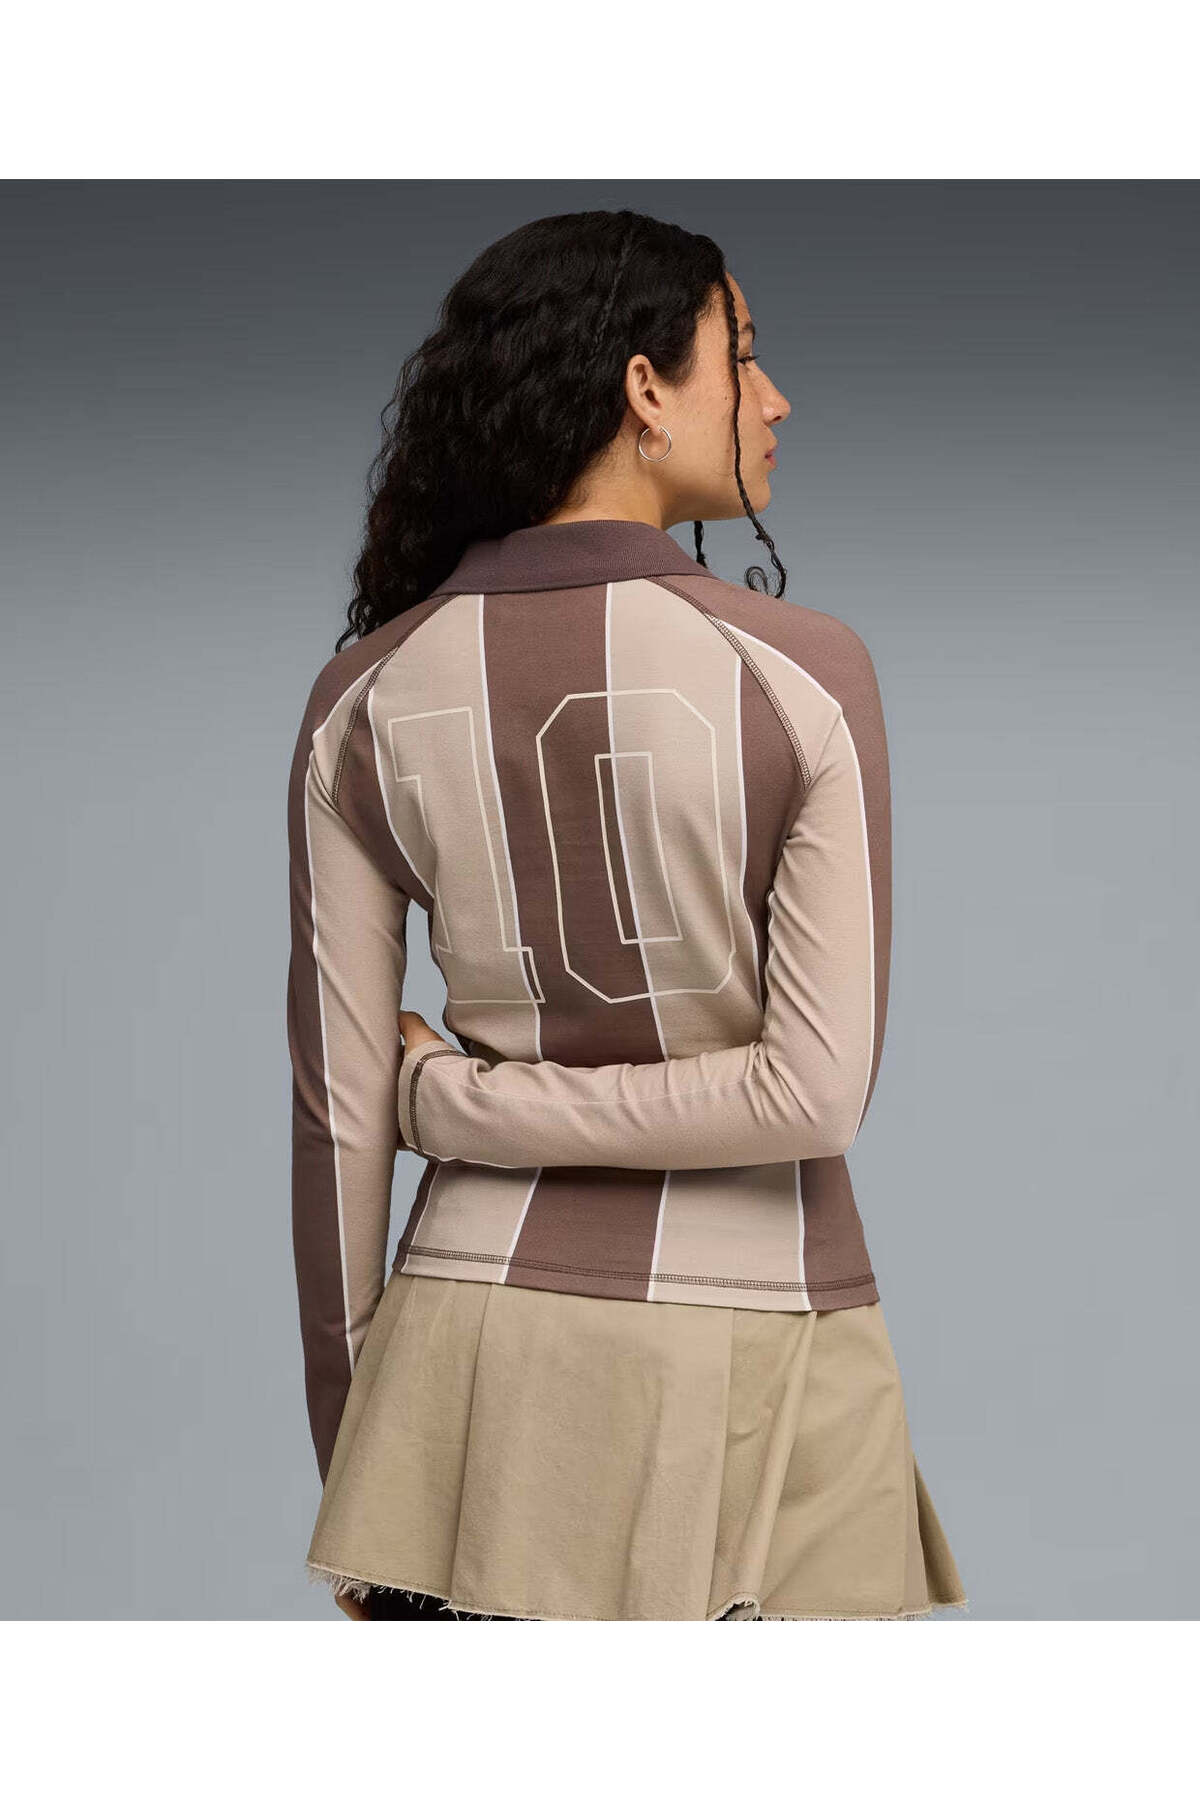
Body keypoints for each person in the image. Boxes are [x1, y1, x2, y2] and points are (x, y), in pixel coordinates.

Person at [286, 207, 968, 1622]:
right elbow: (812, 1096)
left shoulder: (363, 696)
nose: (776, 399)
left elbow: (346, 1118)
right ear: (645, 389)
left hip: (462, 1373)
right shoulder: (802, 672)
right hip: (763, 1350)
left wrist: (361, 1459)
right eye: (744, 355)